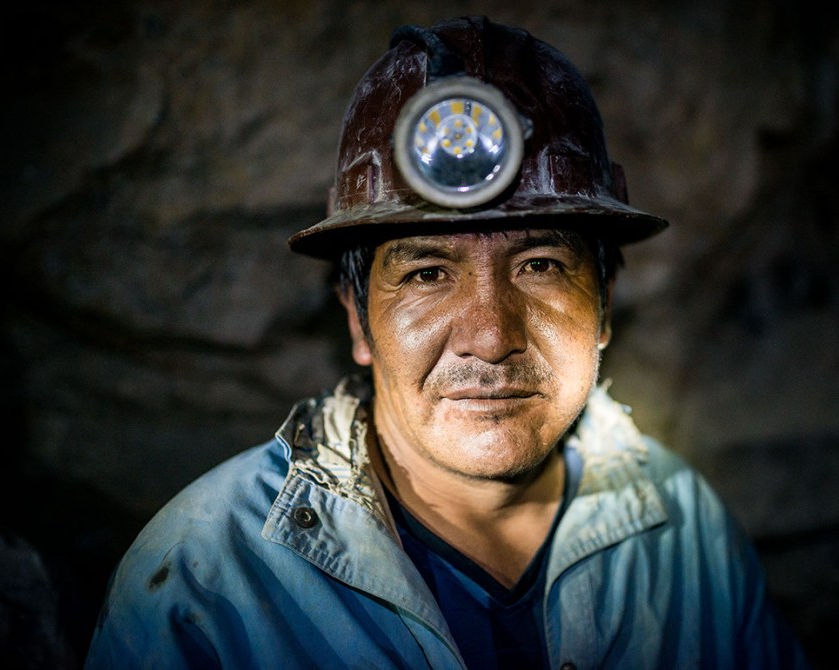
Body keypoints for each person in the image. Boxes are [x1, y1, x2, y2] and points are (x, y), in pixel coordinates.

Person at [85, 16, 809, 669]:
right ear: (357, 320)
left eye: (541, 266)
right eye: (428, 273)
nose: (491, 338)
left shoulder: (688, 534)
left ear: (606, 308)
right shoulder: (204, 581)